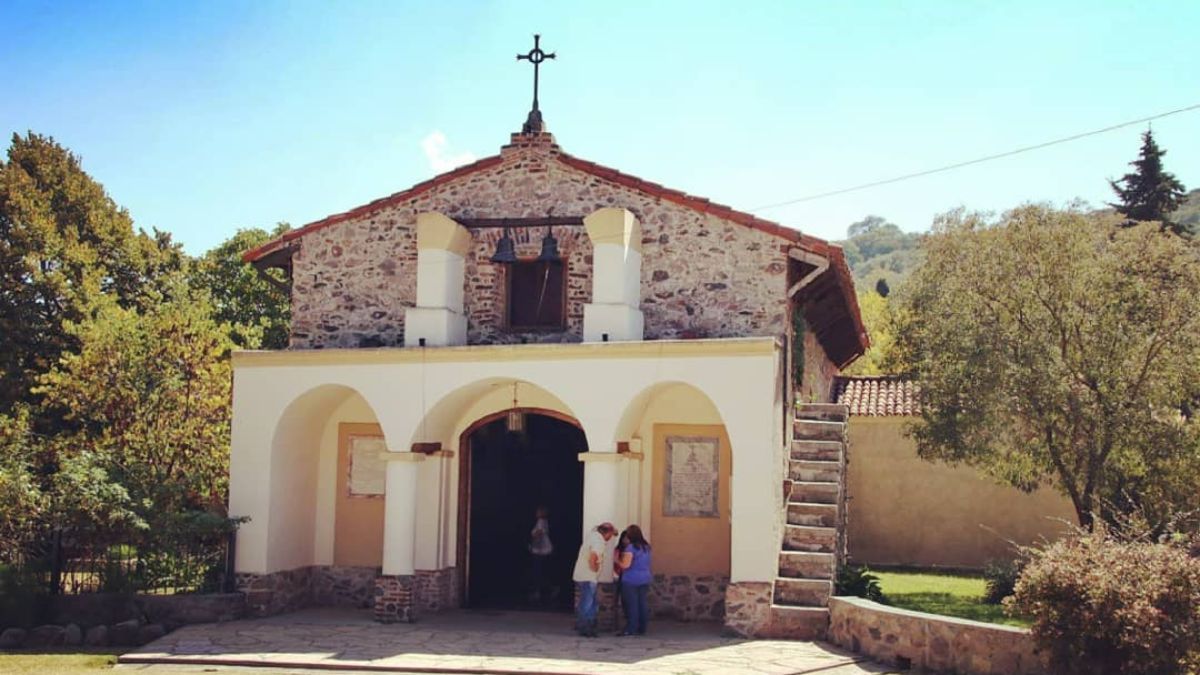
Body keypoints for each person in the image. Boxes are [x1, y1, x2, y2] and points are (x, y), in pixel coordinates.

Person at [572, 521, 616, 637]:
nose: (610, 538)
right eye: (611, 535)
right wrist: (595, 568)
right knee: (588, 603)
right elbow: (593, 557)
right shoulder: (599, 541)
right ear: (607, 533)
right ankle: (586, 628)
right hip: (588, 576)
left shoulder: (592, 536)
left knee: (588, 602)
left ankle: (587, 626)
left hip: (582, 575)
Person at [615, 524, 652, 636]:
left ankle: (631, 628)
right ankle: (642, 627)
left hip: (631, 580)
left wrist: (617, 560)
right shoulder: (646, 547)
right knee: (642, 604)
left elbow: (625, 565)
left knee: (632, 605)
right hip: (645, 578)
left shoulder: (631, 548)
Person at [528, 505, 553, 605]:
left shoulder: (541, 522)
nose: (536, 512)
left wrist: (532, 544)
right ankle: (543, 590)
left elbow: (539, 534)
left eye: (538, 511)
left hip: (540, 550)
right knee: (540, 571)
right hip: (542, 550)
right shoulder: (544, 522)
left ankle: (540, 592)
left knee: (538, 572)